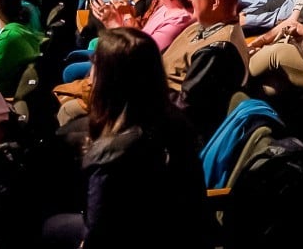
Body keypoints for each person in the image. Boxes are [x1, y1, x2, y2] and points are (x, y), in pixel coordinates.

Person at [41, 28, 215, 249]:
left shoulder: (111, 156)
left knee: (46, 225)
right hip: (182, 236)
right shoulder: (178, 125)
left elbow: (98, 237)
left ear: (109, 80)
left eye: (94, 65)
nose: (89, 75)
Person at [161, 0, 250, 145]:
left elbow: (186, 107)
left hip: (172, 135)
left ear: (215, 2)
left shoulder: (219, 49)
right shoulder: (202, 26)